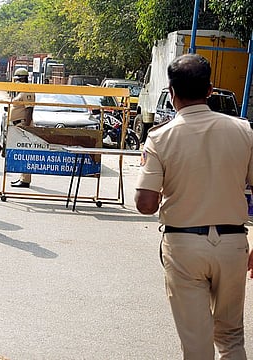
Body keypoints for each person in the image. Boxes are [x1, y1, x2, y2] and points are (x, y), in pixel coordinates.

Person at [135, 53, 253, 359]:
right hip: (233, 244)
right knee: (231, 337)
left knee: (197, 345)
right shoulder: (244, 132)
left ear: (172, 93)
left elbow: (145, 203)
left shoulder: (160, 138)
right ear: (210, 90)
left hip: (184, 245)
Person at [9, 67, 35, 188]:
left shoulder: (27, 91)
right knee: (21, 152)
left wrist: (26, 127)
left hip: (23, 125)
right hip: (17, 125)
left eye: (17, 79)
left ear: (22, 79)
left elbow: (29, 109)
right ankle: (22, 177)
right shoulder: (21, 91)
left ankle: (25, 179)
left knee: (25, 153)